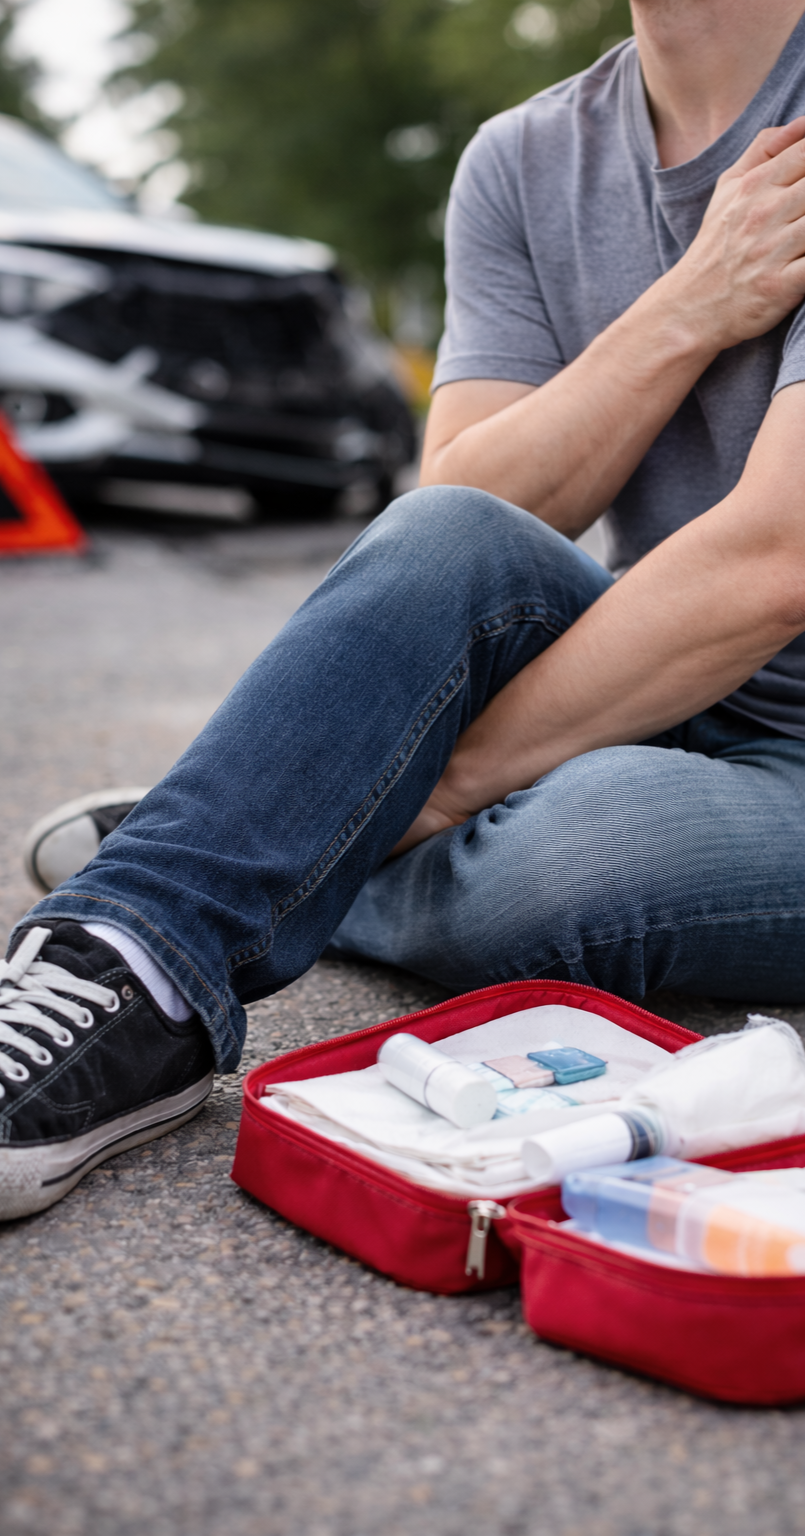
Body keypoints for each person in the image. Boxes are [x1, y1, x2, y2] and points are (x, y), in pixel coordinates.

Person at [4, 0, 805, 1220]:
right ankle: (144, 957)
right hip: (659, 684)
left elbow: (774, 558)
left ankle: (276, 831)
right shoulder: (525, 157)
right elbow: (468, 508)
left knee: (580, 851)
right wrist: (691, 304)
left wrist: (428, 787)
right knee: (449, 540)